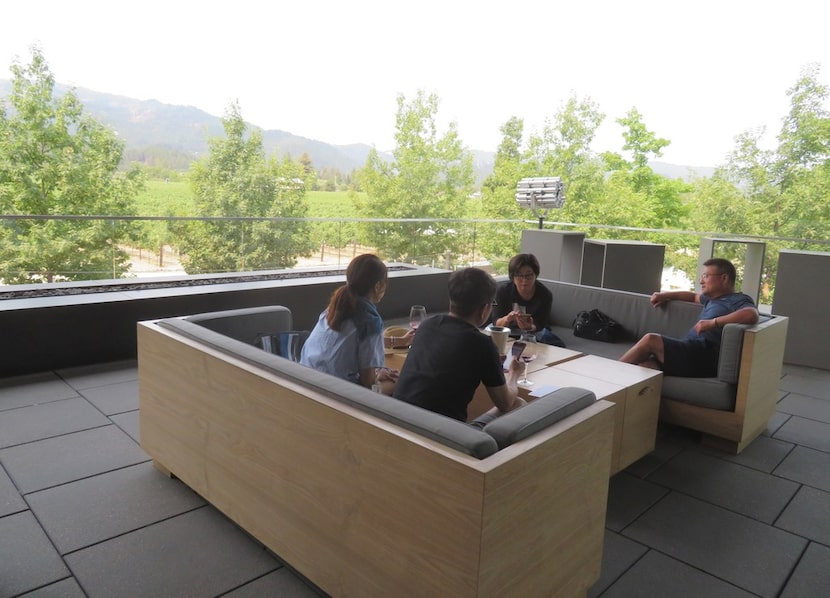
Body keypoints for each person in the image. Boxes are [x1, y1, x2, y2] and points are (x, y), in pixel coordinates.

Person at [393, 267, 526, 427]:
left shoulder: (427, 325)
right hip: (445, 436)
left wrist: (489, 363)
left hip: (398, 420)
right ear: (484, 309)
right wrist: (514, 374)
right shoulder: (482, 344)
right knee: (518, 404)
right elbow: (505, 403)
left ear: (452, 300)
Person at [619, 258, 759, 377]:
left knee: (651, 340)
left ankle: (607, 375)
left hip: (704, 354)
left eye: (706, 276)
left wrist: (713, 322)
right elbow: (692, 296)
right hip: (691, 350)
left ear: (724, 278)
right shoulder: (711, 299)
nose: (701, 281)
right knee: (646, 366)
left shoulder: (738, 299)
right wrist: (665, 295)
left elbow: (751, 314)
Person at [300, 254, 414, 393]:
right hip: (338, 391)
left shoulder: (336, 308)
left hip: (307, 377)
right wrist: (377, 376)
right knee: (401, 381)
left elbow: (353, 340)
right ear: (378, 286)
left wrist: (399, 341)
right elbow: (368, 382)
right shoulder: (369, 320)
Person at [490, 253, 564, 346]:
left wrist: (530, 327)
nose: (524, 280)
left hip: (534, 332)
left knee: (556, 344)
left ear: (535, 275)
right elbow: (496, 322)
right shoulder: (502, 291)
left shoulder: (545, 294)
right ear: (512, 277)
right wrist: (507, 319)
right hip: (507, 329)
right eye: (519, 275)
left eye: (528, 275)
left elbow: (541, 324)